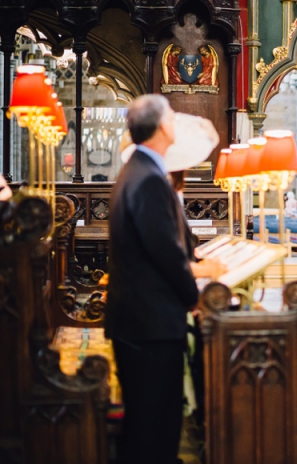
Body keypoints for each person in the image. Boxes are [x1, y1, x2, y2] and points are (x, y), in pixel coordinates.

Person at [106, 95, 207, 464]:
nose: (176, 125)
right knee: (154, 427)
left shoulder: (138, 170)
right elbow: (165, 253)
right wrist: (193, 298)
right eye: (173, 120)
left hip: (139, 319)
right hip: (148, 324)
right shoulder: (148, 179)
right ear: (163, 127)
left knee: (146, 423)